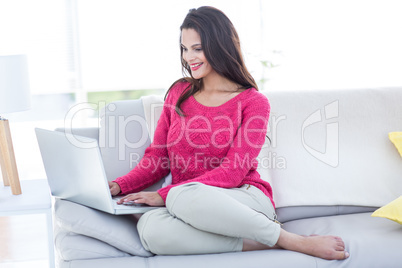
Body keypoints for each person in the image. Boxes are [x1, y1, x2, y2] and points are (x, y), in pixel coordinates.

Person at [109, 6, 349, 260]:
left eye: (197, 48)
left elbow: (233, 172)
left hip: (243, 199)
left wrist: (165, 195)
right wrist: (119, 185)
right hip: (192, 204)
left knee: (180, 194)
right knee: (150, 228)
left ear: (219, 45)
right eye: (184, 48)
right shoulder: (178, 93)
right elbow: (158, 158)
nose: (189, 57)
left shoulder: (253, 102)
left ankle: (291, 240)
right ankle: (264, 243)